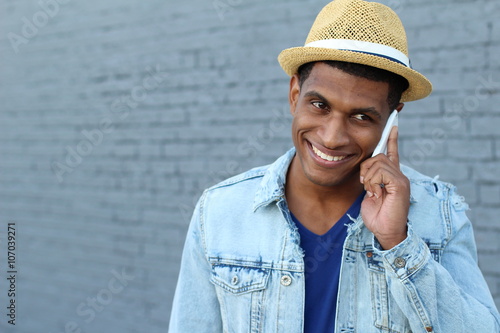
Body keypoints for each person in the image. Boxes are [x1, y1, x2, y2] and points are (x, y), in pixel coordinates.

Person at [169, 0, 500, 332]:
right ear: (294, 93)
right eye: (319, 105)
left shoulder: (439, 214)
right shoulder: (220, 212)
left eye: (361, 116)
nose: (331, 137)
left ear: (392, 119)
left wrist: (398, 243)